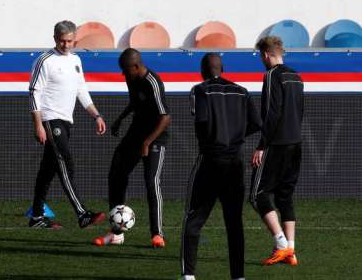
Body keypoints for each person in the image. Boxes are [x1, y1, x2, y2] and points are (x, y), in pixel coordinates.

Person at [179, 53, 261, 280]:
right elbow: (256, 124)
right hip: (234, 164)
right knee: (234, 222)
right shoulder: (242, 92)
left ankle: (189, 275)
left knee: (194, 218)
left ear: (202, 70)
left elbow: (201, 123)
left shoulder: (200, 90)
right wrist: (234, 136)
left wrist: (216, 138)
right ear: (222, 68)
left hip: (210, 161)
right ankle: (238, 276)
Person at [28, 20, 107, 229]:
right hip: (50, 119)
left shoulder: (76, 60)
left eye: (69, 41)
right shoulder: (45, 61)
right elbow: (34, 93)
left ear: (75, 40)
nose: (65, 45)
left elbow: (81, 90)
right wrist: (38, 124)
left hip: (66, 121)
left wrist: (96, 115)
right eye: (62, 41)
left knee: (47, 171)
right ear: (55, 39)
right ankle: (82, 214)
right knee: (65, 162)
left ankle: (36, 217)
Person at [93, 48, 171, 248]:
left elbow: (165, 117)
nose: (123, 74)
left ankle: (157, 234)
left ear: (136, 66)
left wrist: (147, 143)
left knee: (151, 181)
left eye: (125, 70)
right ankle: (117, 232)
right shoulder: (131, 77)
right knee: (116, 173)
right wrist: (120, 119)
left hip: (155, 137)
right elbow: (135, 102)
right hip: (135, 133)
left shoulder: (153, 82)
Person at [250, 36, 304, 266]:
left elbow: (272, 113)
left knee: (257, 194)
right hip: (296, 143)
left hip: (277, 144)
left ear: (265, 55)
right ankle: (291, 250)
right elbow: (299, 111)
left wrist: (262, 145)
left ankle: (281, 243)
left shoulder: (272, 76)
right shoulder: (297, 77)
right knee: (285, 196)